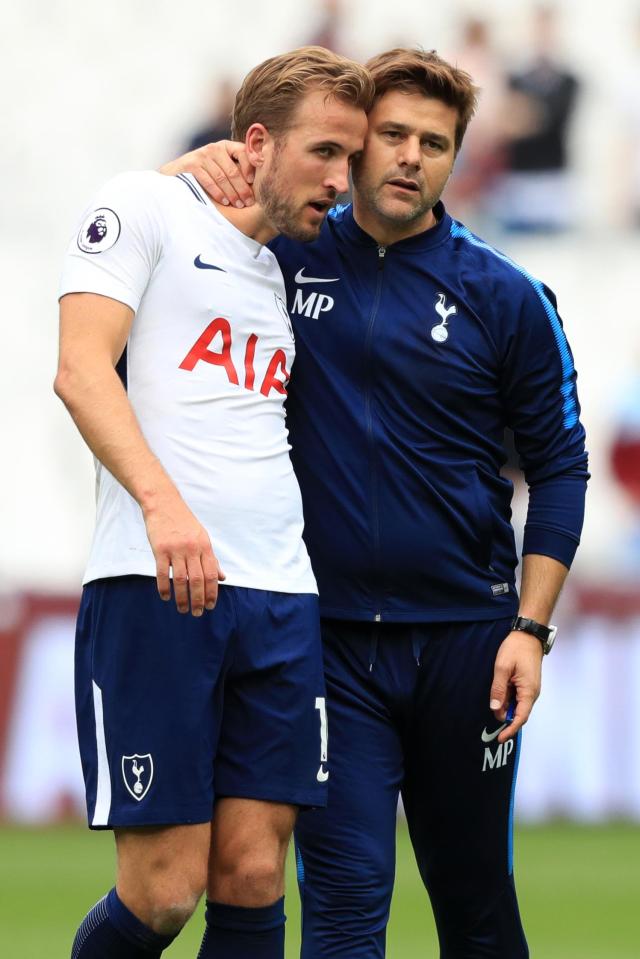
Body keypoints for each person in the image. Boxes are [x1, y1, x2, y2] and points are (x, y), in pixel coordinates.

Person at [164, 47, 588, 958]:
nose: (409, 155)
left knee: (476, 909)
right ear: (355, 147)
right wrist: (179, 169)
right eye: (391, 134)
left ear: (456, 158)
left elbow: (561, 469)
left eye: (433, 142)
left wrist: (532, 628)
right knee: (346, 907)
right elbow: (150, 238)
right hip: (331, 646)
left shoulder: (507, 297)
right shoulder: (271, 261)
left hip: (470, 646)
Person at [55, 46, 371, 959]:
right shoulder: (142, 206)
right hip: (156, 582)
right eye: (324, 153)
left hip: (280, 593)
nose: (341, 181)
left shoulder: (293, 267)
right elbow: (80, 371)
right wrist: (163, 506)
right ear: (257, 141)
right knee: (163, 894)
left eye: (350, 159)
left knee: (253, 874)